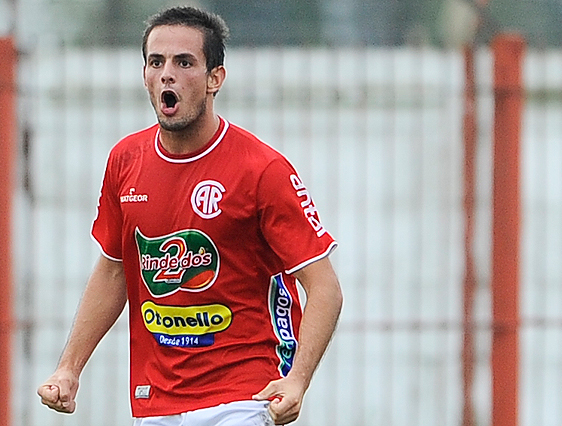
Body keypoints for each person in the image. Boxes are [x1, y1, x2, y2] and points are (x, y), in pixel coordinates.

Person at [37, 6, 342, 426]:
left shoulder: (262, 170)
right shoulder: (125, 161)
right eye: (156, 62)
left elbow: (324, 288)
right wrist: (69, 368)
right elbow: (114, 271)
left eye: (185, 62)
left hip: (245, 394)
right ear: (145, 75)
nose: (167, 74)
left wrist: (297, 380)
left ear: (215, 77)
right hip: (155, 399)